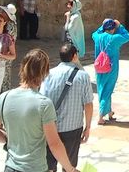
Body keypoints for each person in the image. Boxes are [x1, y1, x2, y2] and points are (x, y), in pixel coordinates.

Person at [0, 48, 79, 172]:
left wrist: (10, 139)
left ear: (22, 68)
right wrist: (70, 169)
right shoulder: (43, 104)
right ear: (44, 72)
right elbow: (54, 144)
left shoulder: (4, 97)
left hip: (11, 167)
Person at [40, 42, 93, 172]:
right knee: (69, 165)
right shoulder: (83, 76)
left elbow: (41, 100)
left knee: (49, 165)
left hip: (51, 126)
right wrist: (88, 127)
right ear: (75, 56)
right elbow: (88, 104)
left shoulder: (48, 74)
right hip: (72, 128)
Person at [91, 18, 129, 125]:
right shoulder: (115, 38)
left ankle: (109, 112)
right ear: (113, 28)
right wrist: (120, 25)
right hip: (111, 68)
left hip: (99, 67)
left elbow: (95, 33)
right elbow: (127, 36)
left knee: (101, 88)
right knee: (107, 91)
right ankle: (100, 117)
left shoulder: (97, 37)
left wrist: (102, 24)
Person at [0, 4, 18, 92]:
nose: (1, 13)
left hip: (6, 51)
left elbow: (7, 40)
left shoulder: (9, 26)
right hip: (8, 51)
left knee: (4, 73)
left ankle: (3, 92)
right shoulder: (12, 24)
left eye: (3, 12)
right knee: (6, 73)